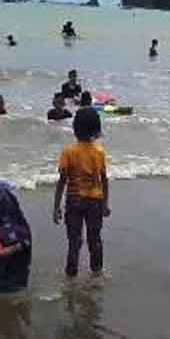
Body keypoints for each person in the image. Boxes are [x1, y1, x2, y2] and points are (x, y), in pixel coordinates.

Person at [53, 108, 110, 276]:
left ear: (75, 127)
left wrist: (56, 207)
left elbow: (62, 181)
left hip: (74, 200)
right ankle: (97, 271)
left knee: (74, 241)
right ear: (96, 129)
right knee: (95, 239)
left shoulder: (68, 152)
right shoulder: (99, 152)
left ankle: (71, 273)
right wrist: (105, 203)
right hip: (95, 201)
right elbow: (104, 180)